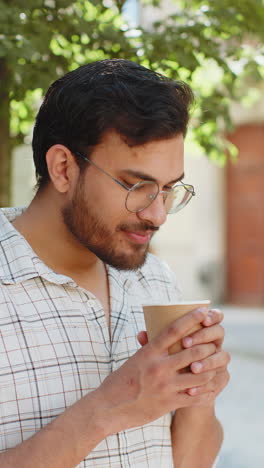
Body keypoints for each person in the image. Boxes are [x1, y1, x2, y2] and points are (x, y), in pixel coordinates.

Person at [0, 59, 230, 468]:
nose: (157, 215)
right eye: (137, 185)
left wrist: (200, 392)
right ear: (63, 168)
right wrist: (111, 407)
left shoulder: (155, 279)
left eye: (169, 189)